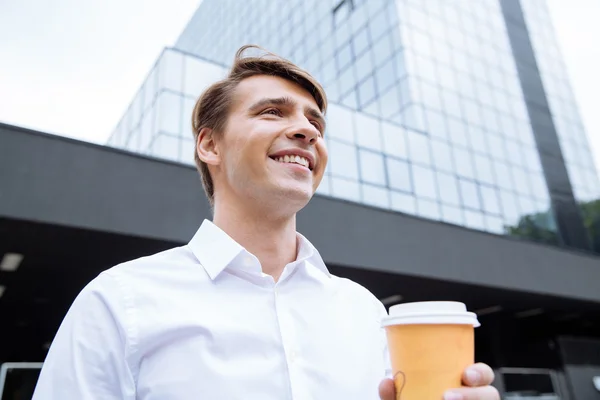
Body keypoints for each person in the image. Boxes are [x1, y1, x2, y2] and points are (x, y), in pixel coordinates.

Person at [33, 45, 499, 400]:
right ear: (210, 146)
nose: (307, 130)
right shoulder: (119, 302)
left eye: (315, 122)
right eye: (272, 112)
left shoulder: (365, 312)